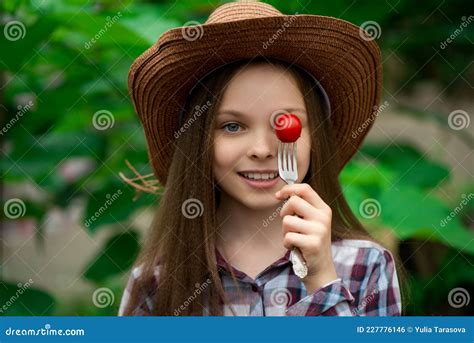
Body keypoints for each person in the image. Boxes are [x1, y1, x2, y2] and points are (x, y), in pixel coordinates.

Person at [118, 0, 404, 316]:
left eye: (284, 123)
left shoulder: (366, 268)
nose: (262, 149)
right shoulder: (157, 285)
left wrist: (322, 280)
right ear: (200, 142)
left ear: (314, 138)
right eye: (232, 126)